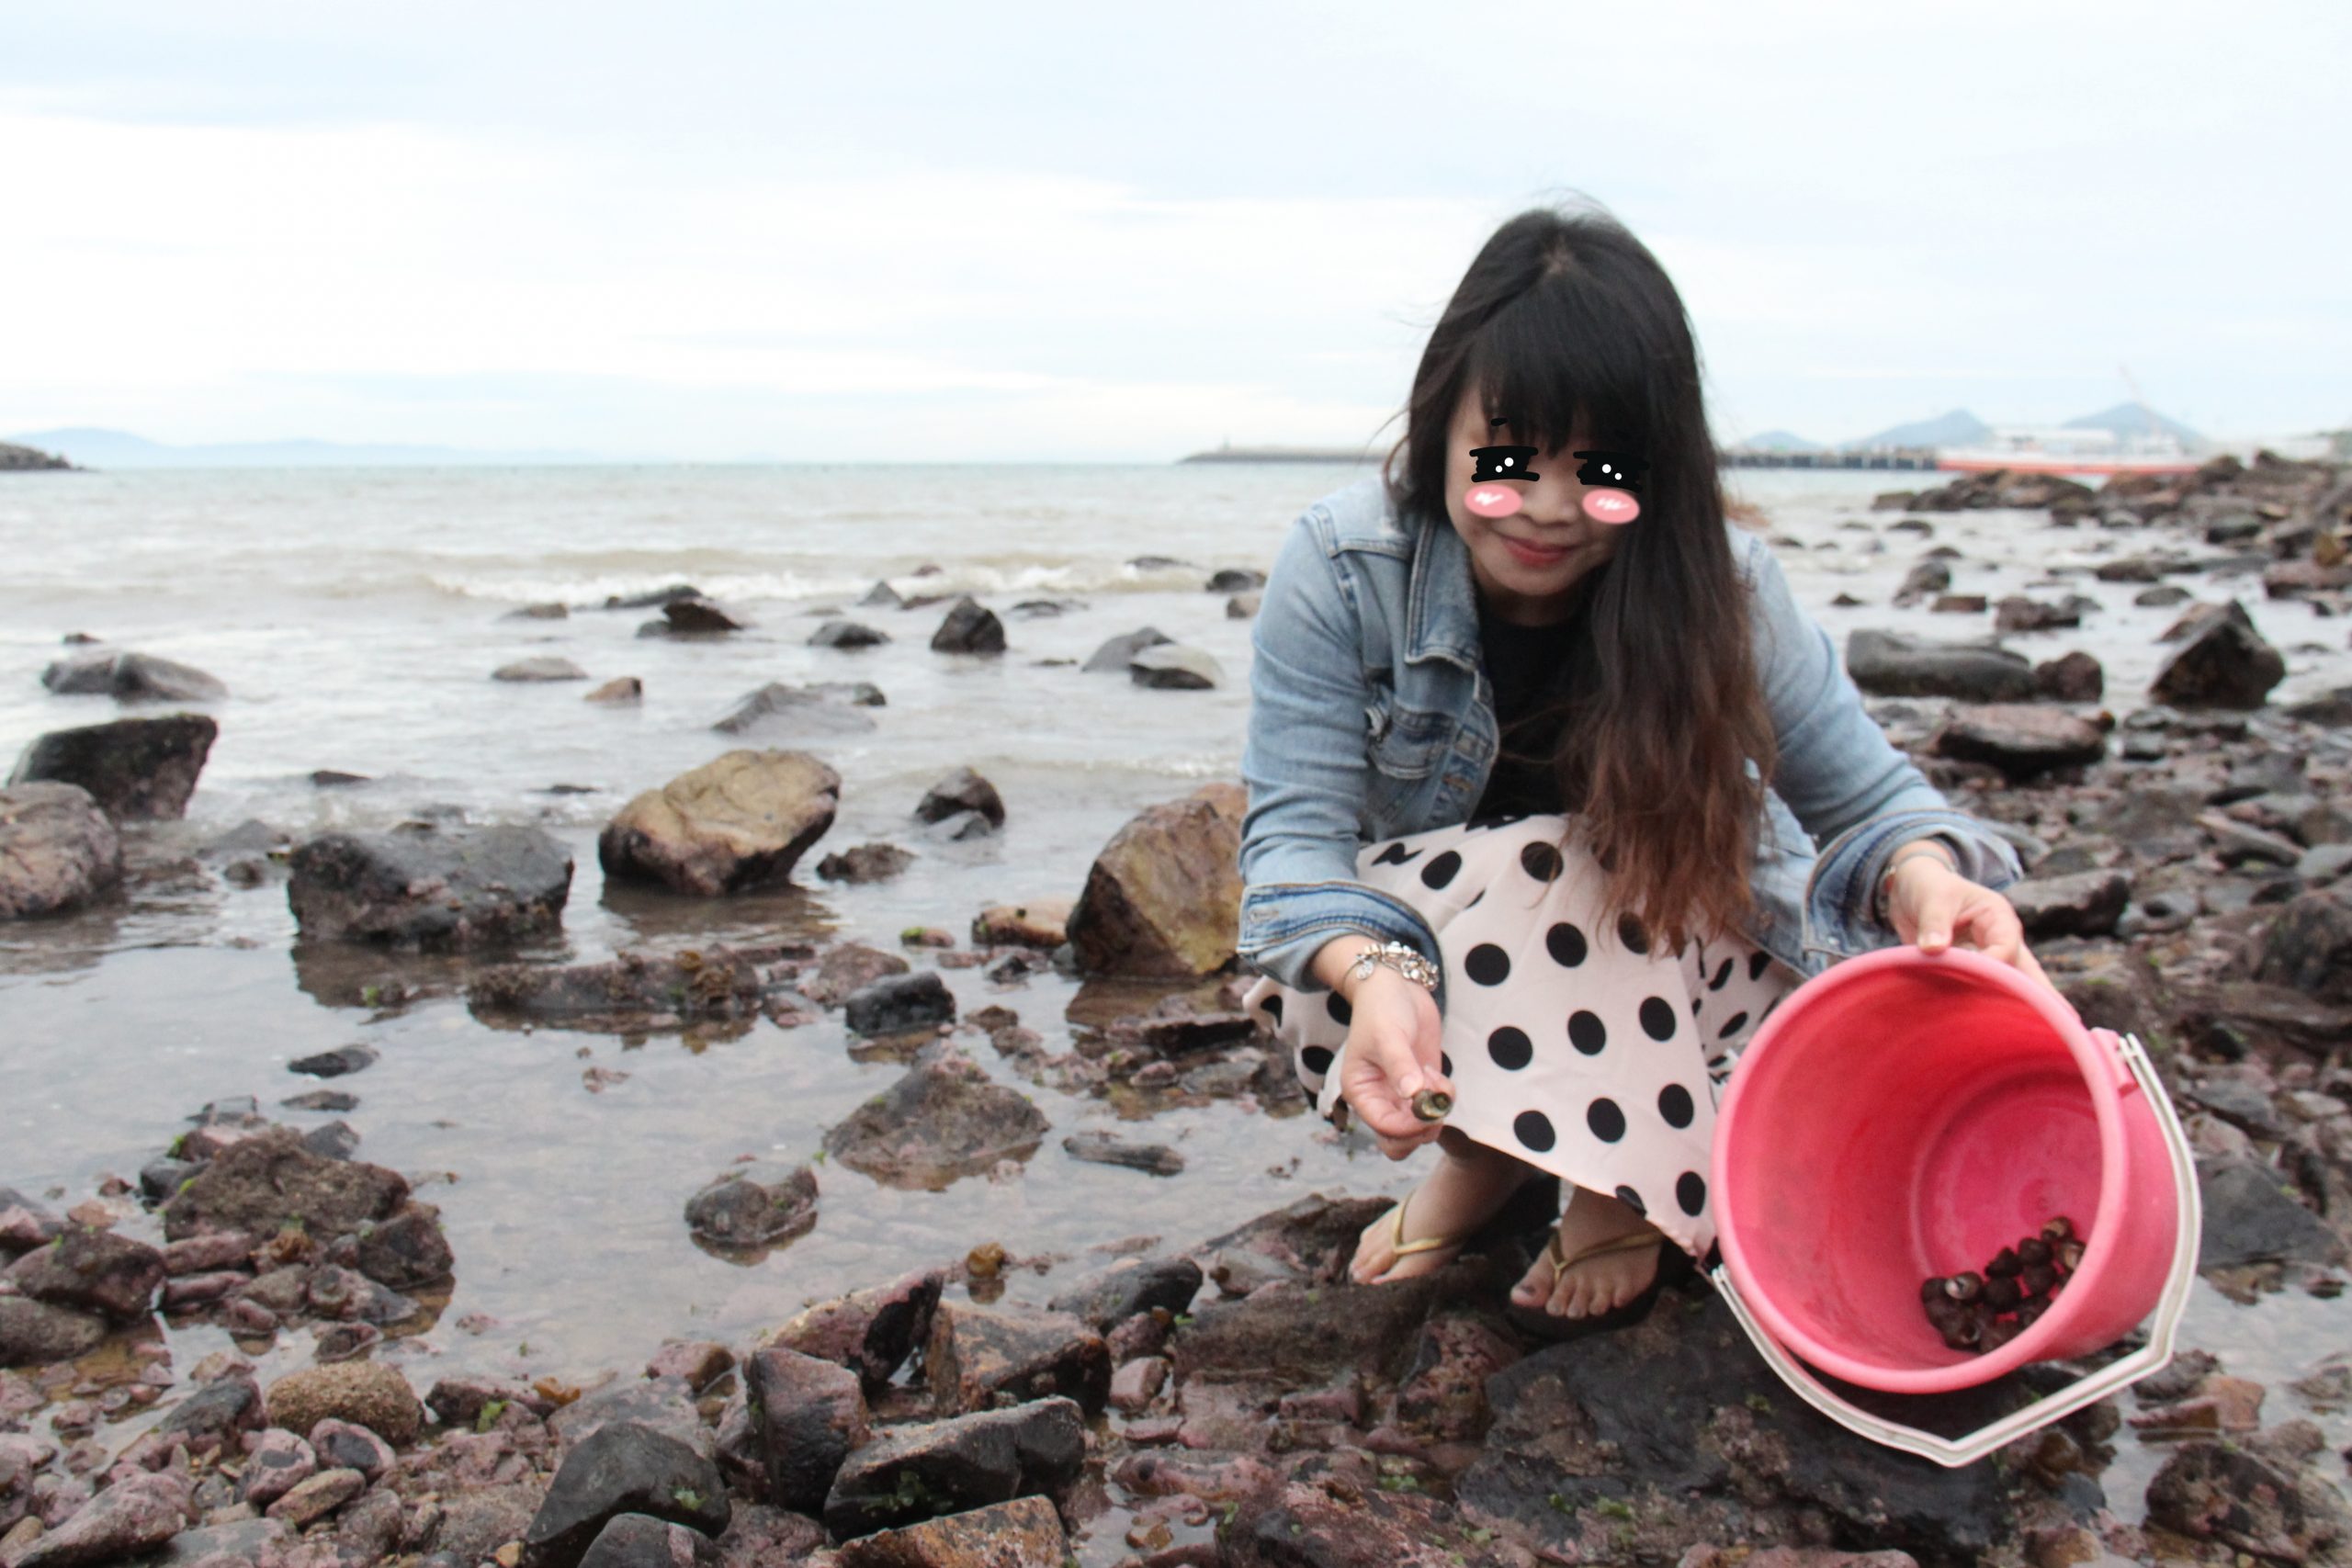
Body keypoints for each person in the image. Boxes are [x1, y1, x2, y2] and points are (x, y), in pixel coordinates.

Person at [1235, 201, 2053, 1329]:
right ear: (1444, 418)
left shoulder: (1721, 584)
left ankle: (1615, 1192)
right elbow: (1292, 846)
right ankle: (1494, 1158)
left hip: (1686, 978)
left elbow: (1869, 799)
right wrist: (1376, 975)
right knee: (1351, 940)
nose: (1552, 509)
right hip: (1453, 966)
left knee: (1592, 865)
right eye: (1510, 456)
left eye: (1601, 467)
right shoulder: (1340, 565)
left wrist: (1928, 882)